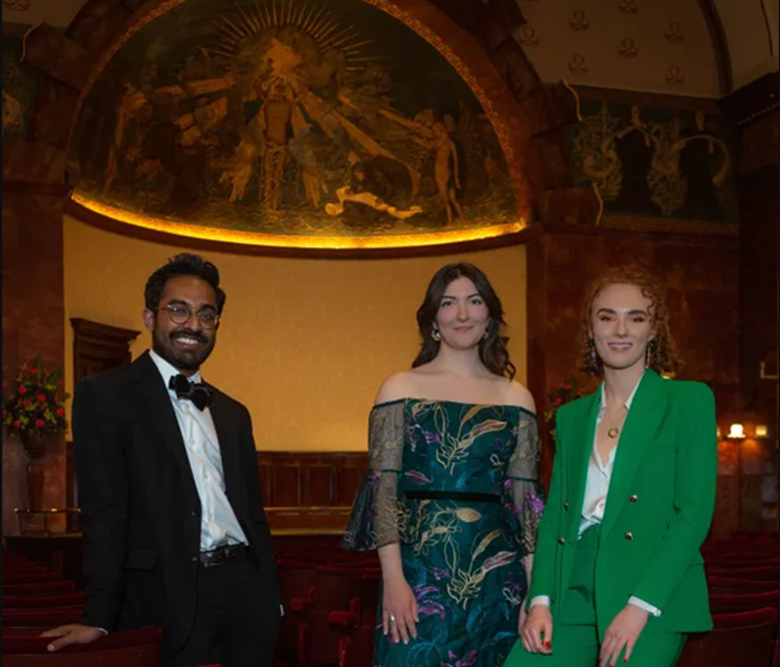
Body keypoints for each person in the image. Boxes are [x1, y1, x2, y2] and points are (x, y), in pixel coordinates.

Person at [41, 254, 281, 667]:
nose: (193, 325)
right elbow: (104, 513)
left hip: (245, 595)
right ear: (150, 317)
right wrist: (98, 616)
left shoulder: (234, 412)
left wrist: (269, 594)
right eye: (178, 310)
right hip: (164, 593)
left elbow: (252, 515)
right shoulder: (105, 394)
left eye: (207, 315)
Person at [507, 264, 717, 667]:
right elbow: (555, 519)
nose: (620, 330)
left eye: (635, 317)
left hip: (651, 587)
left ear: (654, 330)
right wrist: (540, 600)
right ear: (590, 328)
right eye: (607, 317)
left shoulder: (689, 402)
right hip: (574, 587)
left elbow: (693, 514)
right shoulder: (571, 417)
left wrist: (640, 605)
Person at [342, 263, 545, 666]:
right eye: (449, 303)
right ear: (434, 318)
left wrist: (537, 596)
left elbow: (525, 508)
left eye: (474, 301)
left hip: (498, 583)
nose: (463, 314)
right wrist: (394, 580)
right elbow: (383, 492)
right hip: (418, 576)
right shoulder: (399, 387)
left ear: (490, 316)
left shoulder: (517, 398)